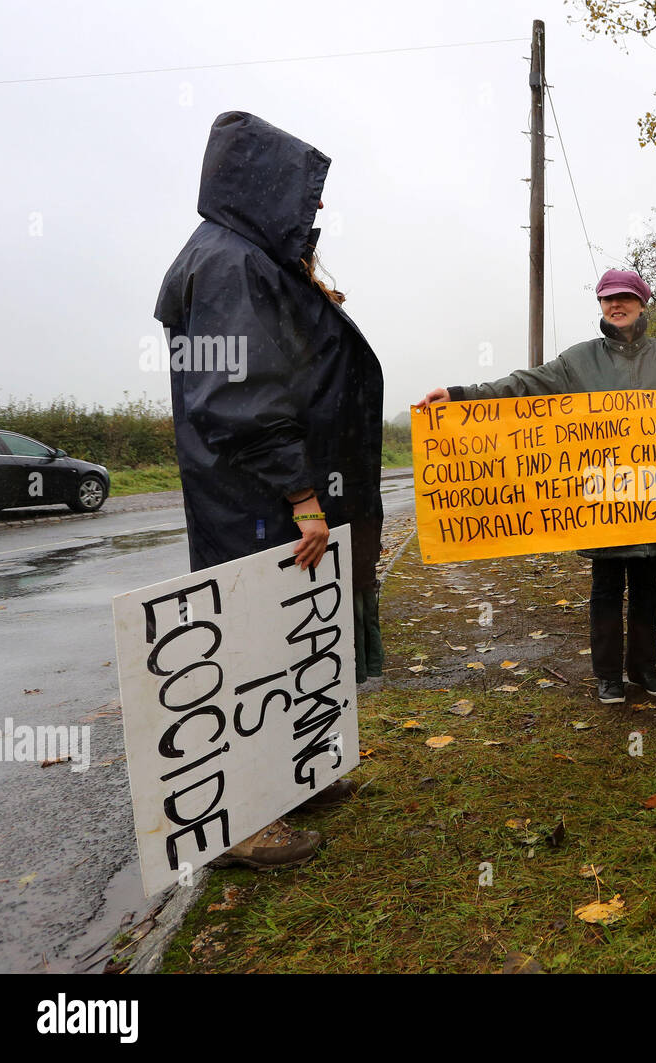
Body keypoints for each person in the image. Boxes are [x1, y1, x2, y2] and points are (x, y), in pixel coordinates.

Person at [154, 111, 384, 868]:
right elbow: (241, 395)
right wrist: (303, 499)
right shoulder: (229, 264)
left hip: (257, 497)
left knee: (286, 641)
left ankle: (298, 777)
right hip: (255, 503)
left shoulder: (236, 256)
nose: (313, 209)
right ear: (260, 186)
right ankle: (243, 823)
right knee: (250, 650)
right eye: (303, 193)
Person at [420, 268, 656, 704]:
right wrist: (459, 395)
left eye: (624, 297)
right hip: (602, 494)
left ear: (642, 302)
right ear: (601, 306)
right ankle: (608, 675)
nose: (616, 305)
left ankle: (644, 668)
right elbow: (523, 386)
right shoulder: (578, 361)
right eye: (608, 298)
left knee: (648, 585)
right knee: (606, 585)